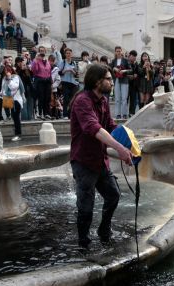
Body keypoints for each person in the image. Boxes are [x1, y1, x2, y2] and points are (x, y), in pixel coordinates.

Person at [69, 63, 133, 249]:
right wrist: (119, 149)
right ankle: (83, 244)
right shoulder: (82, 101)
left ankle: (104, 231)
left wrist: (130, 141)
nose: (112, 83)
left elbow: (110, 126)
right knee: (86, 207)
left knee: (113, 195)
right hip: (84, 162)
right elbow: (94, 128)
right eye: (109, 79)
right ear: (97, 81)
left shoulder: (103, 101)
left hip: (99, 161)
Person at [0, 64, 23, 141]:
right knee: (13, 116)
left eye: (8, 71)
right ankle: (16, 132)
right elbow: (3, 89)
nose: (6, 73)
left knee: (16, 117)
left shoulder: (15, 77)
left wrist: (9, 79)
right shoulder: (4, 78)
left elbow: (14, 87)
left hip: (16, 100)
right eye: (5, 71)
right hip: (8, 99)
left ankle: (18, 134)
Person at [29, 45, 52, 120]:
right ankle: (40, 113)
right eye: (40, 51)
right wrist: (35, 60)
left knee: (47, 97)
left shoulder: (47, 61)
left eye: (43, 51)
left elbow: (49, 71)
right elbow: (34, 71)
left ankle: (46, 113)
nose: (42, 52)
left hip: (47, 81)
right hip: (40, 81)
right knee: (41, 97)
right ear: (38, 52)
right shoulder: (36, 61)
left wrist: (50, 80)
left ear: (45, 52)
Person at [109, 47, 130, 119]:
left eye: (119, 51)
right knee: (117, 98)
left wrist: (124, 71)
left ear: (121, 52)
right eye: (117, 51)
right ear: (115, 52)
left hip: (124, 80)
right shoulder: (113, 61)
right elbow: (110, 69)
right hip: (117, 80)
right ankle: (117, 114)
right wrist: (114, 68)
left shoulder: (125, 60)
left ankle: (124, 114)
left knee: (124, 98)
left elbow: (131, 70)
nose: (118, 52)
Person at [58, 47, 77, 119]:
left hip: (72, 83)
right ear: (65, 54)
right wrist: (65, 71)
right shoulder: (62, 62)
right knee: (66, 98)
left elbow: (76, 74)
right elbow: (59, 73)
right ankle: (65, 114)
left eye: (69, 53)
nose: (68, 55)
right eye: (67, 53)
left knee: (72, 99)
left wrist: (73, 71)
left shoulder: (74, 62)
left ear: (71, 54)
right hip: (65, 82)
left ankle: (70, 114)